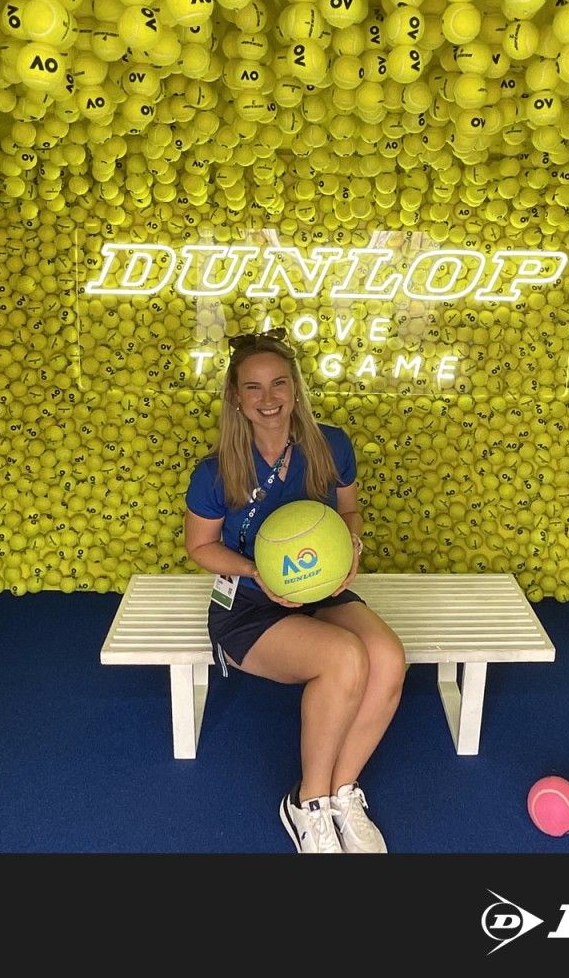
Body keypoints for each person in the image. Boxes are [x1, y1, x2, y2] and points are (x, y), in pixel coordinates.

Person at [184, 327, 406, 853]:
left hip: (320, 589)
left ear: (296, 388)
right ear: (236, 398)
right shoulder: (215, 471)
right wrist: (259, 573)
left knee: (388, 657)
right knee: (344, 659)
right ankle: (307, 803)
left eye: (279, 383)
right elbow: (200, 547)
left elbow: (349, 511)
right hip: (249, 605)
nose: (269, 398)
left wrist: (351, 548)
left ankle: (342, 793)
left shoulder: (331, 445)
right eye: (254, 387)